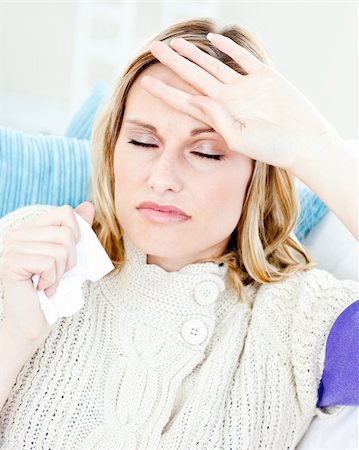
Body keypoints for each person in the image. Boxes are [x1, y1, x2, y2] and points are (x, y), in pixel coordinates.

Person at [0, 18, 357, 450]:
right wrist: (15, 334)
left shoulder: (301, 321)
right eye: (143, 143)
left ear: (256, 174)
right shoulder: (29, 252)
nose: (162, 178)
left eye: (205, 151)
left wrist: (318, 147)